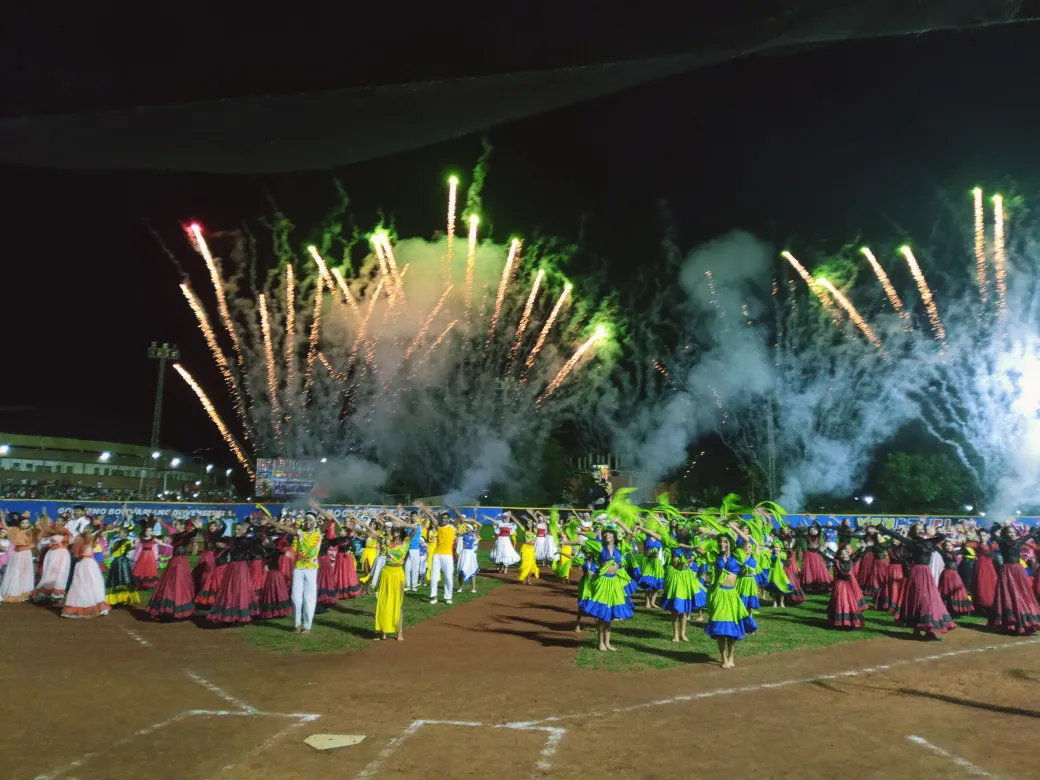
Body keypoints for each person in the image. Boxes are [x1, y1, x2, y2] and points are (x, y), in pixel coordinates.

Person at [883, 522, 957, 640]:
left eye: (921, 528)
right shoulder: (912, 542)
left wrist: (933, 532)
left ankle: (926, 629)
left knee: (928, 599)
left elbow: (942, 537)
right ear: (913, 531)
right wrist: (883, 529)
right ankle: (922, 629)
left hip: (926, 572)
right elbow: (897, 536)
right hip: (917, 572)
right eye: (917, 529)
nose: (920, 530)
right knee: (920, 599)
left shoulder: (930, 541)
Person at [361, 516, 420, 640]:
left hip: (398, 575)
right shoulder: (386, 541)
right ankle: (382, 631)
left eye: (397, 529)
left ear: (401, 530)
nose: (394, 531)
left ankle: (399, 633)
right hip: (386, 573)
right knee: (383, 602)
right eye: (393, 529)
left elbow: (415, 527)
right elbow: (371, 533)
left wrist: (401, 523)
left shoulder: (406, 541)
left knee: (398, 604)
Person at [705, 530, 754, 669]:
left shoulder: (737, 555)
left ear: (730, 543)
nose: (722, 544)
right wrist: (709, 533)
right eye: (720, 542)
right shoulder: (715, 556)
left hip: (732, 594)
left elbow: (746, 539)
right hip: (718, 594)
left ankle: (731, 657)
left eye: (725, 542)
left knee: (731, 631)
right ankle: (724, 658)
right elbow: (699, 549)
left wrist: (732, 526)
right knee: (720, 630)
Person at [273, 509, 322, 634]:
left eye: (310, 520)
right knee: (296, 598)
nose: (307, 522)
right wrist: (270, 521)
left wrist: (317, 507)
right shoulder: (299, 532)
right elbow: (284, 528)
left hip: (311, 569)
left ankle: (307, 626)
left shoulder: (318, 532)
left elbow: (329, 519)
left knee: (309, 598)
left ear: (315, 522)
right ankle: (297, 624)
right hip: (299, 568)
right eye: (306, 520)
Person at [989, 521, 1040, 635]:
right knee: (1008, 594)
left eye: (1013, 532)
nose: (1012, 534)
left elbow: (1031, 534)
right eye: (1009, 532)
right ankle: (1010, 623)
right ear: (1005, 534)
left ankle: (1026, 621)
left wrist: (1036, 526)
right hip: (1007, 570)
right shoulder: (1001, 542)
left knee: (1022, 593)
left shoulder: (1019, 541)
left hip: (1018, 570)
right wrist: (1001, 524)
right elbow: (993, 533)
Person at [206, 520, 262, 624]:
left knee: (241, 589)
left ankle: (240, 614)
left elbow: (258, 544)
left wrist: (254, 529)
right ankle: (230, 612)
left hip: (241, 567)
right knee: (230, 589)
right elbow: (216, 538)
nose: (236, 531)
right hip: (232, 567)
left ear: (244, 530)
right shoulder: (231, 539)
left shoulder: (247, 541)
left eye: (239, 529)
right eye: (236, 529)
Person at [146, 519, 200, 620]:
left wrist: (196, 527)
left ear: (182, 526)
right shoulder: (175, 535)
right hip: (174, 561)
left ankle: (178, 610)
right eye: (174, 524)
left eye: (176, 525)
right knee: (169, 583)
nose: (174, 526)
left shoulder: (186, 534)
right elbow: (164, 538)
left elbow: (194, 533)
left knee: (179, 584)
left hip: (181, 562)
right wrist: (153, 535)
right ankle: (167, 609)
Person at [61, 521, 110, 619]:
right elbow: (98, 535)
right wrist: (102, 529)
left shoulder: (81, 538)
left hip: (82, 563)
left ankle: (82, 605)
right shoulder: (88, 538)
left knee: (81, 585)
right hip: (88, 564)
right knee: (92, 584)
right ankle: (94, 606)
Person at [0, 510, 42, 603]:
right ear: (19, 523)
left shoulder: (30, 531)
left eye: (27, 523)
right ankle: (14, 593)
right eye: (23, 523)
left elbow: (38, 531)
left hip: (26, 553)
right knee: (15, 572)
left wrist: (38, 521)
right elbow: (6, 527)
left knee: (25, 572)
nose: (25, 524)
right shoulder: (15, 530)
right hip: (16, 553)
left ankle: (24, 593)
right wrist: (2, 517)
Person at [34, 511, 71, 601]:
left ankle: (56, 592)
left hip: (61, 553)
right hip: (52, 553)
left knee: (59, 571)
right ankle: (47, 590)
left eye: (59, 521)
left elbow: (66, 538)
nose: (57, 522)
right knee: (50, 571)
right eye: (56, 520)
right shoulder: (53, 531)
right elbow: (44, 539)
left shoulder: (64, 531)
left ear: (64, 522)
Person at [827, 544, 867, 629]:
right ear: (840, 555)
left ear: (848, 555)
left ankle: (850, 620)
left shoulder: (851, 561)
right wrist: (820, 551)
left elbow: (859, 555)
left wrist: (863, 548)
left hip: (848, 585)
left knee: (850, 601)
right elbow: (828, 558)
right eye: (842, 554)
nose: (844, 555)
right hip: (840, 585)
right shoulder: (837, 562)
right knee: (840, 601)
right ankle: (840, 621)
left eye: (845, 554)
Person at [423, 507, 457, 604]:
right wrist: (422, 506)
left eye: (446, 518)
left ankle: (448, 597)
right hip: (437, 555)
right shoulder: (438, 527)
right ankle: (433, 596)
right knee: (434, 576)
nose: (444, 520)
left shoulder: (452, 527)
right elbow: (430, 516)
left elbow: (459, 517)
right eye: (443, 518)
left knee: (448, 576)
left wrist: (452, 507)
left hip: (447, 555)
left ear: (449, 519)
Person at [103, 525, 140, 606]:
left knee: (124, 579)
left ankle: (125, 598)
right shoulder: (116, 542)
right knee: (115, 579)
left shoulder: (127, 542)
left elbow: (127, 552)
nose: (119, 534)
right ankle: (117, 598)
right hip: (116, 562)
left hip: (123, 562)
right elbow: (112, 552)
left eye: (121, 533)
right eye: (119, 533)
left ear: (125, 534)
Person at [403, 510, 426, 592]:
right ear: (410, 517)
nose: (413, 517)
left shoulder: (420, 526)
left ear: (417, 517)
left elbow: (426, 520)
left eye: (415, 516)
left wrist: (423, 512)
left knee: (415, 568)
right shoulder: (408, 526)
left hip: (415, 550)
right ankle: (408, 585)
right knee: (407, 568)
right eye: (412, 516)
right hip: (408, 549)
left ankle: (414, 586)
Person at [456, 520, 480, 593]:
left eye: (467, 527)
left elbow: (480, 525)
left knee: (472, 569)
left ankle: (473, 588)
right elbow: (456, 530)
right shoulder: (464, 534)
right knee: (461, 571)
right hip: (463, 553)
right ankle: (460, 587)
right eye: (466, 527)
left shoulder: (474, 534)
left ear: (471, 529)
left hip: (470, 554)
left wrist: (472, 520)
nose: (466, 528)